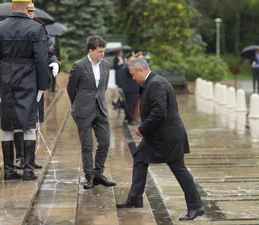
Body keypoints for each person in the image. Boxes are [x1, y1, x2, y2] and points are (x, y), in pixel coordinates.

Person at [116, 58, 204, 221]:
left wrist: (142, 128)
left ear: (141, 70)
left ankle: (196, 206)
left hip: (169, 137)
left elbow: (159, 112)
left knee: (179, 170)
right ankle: (135, 198)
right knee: (140, 157)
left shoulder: (156, 84)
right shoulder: (150, 82)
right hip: (157, 135)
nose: (133, 78)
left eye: (133, 74)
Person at [0, 0, 49, 181]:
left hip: (6, 77)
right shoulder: (36, 28)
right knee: (29, 123)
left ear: (12, 6)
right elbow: (41, 59)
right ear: (27, 7)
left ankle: (9, 170)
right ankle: (28, 170)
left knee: (7, 124)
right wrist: (42, 85)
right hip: (28, 78)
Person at [13, 1, 60, 170]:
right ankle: (19, 157)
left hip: (35, 81)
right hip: (19, 80)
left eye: (32, 12)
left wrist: (54, 61)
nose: (30, 14)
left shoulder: (40, 28)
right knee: (18, 120)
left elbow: (47, 51)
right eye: (28, 11)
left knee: (34, 121)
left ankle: (30, 157)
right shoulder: (15, 28)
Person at [67, 35, 116, 189]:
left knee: (105, 142)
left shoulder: (106, 65)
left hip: (100, 109)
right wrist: (77, 104)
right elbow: (71, 88)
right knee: (87, 145)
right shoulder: (79, 65)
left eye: (104, 51)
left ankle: (98, 173)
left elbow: (103, 87)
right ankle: (89, 177)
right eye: (100, 51)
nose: (102, 54)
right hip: (83, 110)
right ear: (90, 51)